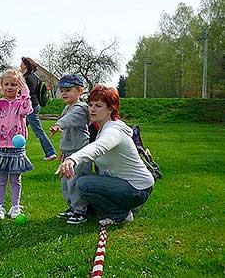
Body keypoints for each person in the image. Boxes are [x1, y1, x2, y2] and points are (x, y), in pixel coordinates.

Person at [57, 85, 155, 225]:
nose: (92, 109)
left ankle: (120, 214)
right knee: (85, 184)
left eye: (98, 106)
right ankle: (122, 208)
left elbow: (98, 147)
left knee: (83, 184)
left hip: (137, 189)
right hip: (126, 186)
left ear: (110, 109)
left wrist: (73, 159)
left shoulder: (113, 130)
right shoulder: (101, 128)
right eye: (90, 105)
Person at [0, 69, 34, 220]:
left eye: (14, 84)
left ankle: (15, 206)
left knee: (15, 179)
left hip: (16, 148)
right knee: (0, 179)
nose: (10, 87)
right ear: (2, 85)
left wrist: (25, 90)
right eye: (6, 84)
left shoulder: (21, 104)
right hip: (0, 146)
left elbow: (28, 109)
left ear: (19, 86)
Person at [49, 74, 92, 225]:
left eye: (68, 90)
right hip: (68, 152)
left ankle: (80, 211)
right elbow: (66, 133)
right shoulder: (67, 107)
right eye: (61, 90)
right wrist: (62, 151)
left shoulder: (81, 108)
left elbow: (69, 120)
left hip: (79, 153)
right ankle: (72, 207)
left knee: (75, 182)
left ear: (80, 91)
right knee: (66, 183)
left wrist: (58, 125)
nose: (64, 93)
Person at [20, 57, 57, 161]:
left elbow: (25, 94)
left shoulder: (26, 78)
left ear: (25, 65)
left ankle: (50, 153)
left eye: (21, 63)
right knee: (20, 130)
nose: (20, 65)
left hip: (30, 107)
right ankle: (16, 151)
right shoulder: (34, 77)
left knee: (38, 131)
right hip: (34, 106)